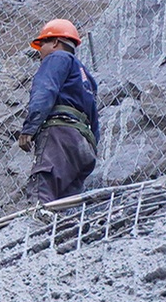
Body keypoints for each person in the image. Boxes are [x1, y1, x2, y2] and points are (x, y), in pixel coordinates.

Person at [17, 20, 102, 203]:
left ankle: (35, 227)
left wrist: (30, 128)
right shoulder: (86, 76)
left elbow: (44, 90)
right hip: (83, 146)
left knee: (43, 187)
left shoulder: (56, 58)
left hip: (60, 135)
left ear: (55, 42)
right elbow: (95, 119)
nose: (39, 51)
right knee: (66, 203)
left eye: (42, 44)